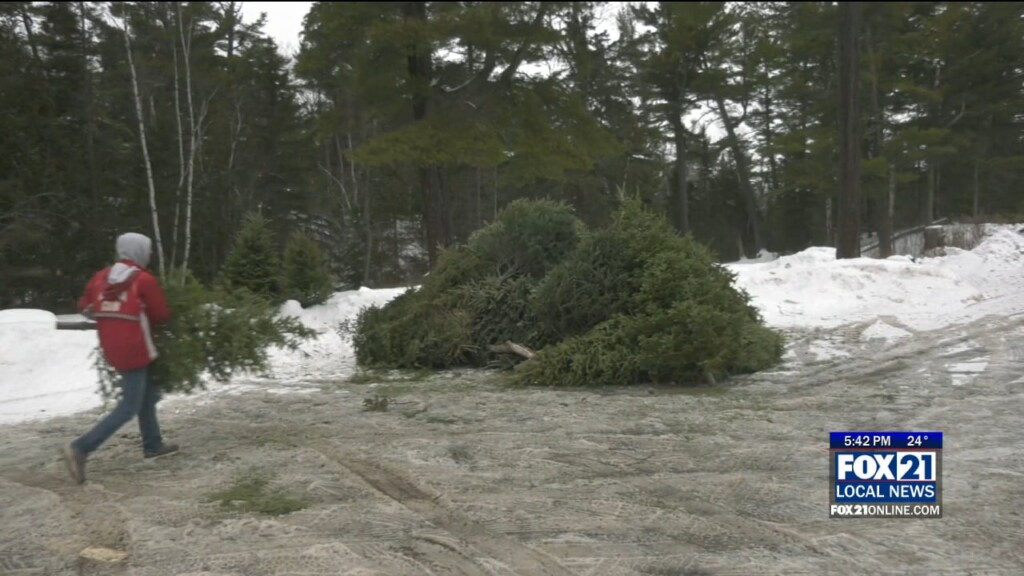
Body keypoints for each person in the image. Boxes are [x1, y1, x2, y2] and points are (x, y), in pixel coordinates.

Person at [61, 232, 178, 485]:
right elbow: (160, 314)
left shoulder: (100, 278)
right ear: (139, 252)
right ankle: (81, 448)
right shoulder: (143, 280)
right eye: (147, 250)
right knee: (129, 407)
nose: (150, 255)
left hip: (113, 347)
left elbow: (85, 306)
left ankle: (153, 444)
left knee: (146, 396)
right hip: (137, 348)